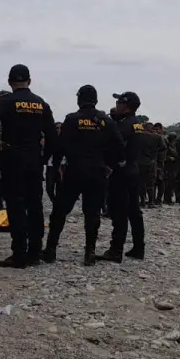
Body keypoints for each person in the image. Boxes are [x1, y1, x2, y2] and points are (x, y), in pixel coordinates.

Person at [0, 64, 57, 268]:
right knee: (35, 205)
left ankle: (19, 254)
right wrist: (44, 159)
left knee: (16, 206)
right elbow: (52, 137)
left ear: (9, 82)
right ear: (30, 81)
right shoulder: (41, 104)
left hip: (12, 158)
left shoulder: (6, 101)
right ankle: (35, 252)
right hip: (34, 159)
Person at [44, 85, 121, 265]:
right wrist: (109, 164)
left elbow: (60, 145)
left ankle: (50, 249)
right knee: (92, 213)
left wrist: (56, 166)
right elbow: (118, 145)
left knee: (60, 212)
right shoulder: (105, 121)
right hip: (97, 171)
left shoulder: (72, 119)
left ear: (79, 99)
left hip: (74, 170)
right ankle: (89, 253)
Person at [100, 91, 146, 263]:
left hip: (121, 172)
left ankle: (115, 250)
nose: (116, 105)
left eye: (119, 102)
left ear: (126, 106)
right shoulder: (137, 124)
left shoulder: (124, 126)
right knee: (134, 211)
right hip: (134, 170)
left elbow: (113, 146)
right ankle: (138, 248)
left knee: (119, 211)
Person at [136, 121, 162, 208]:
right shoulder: (157, 137)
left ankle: (142, 201)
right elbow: (163, 147)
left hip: (140, 162)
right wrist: (154, 152)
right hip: (151, 162)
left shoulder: (139, 136)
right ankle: (151, 202)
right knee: (151, 183)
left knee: (140, 183)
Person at [44, 121, 62, 205]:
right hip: (51, 166)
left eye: (60, 128)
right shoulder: (50, 139)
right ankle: (55, 202)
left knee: (60, 188)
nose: (59, 130)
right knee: (49, 188)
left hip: (62, 166)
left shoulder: (66, 140)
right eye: (57, 128)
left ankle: (58, 205)